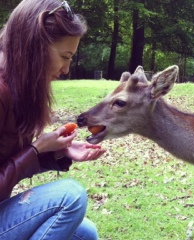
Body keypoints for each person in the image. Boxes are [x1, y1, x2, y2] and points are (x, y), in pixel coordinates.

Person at [0, 0, 106, 239]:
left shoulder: (17, 87)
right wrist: (36, 150)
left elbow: (7, 162)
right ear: (34, 47)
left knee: (85, 234)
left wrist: (57, 151)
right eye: (65, 56)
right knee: (71, 196)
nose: (67, 69)